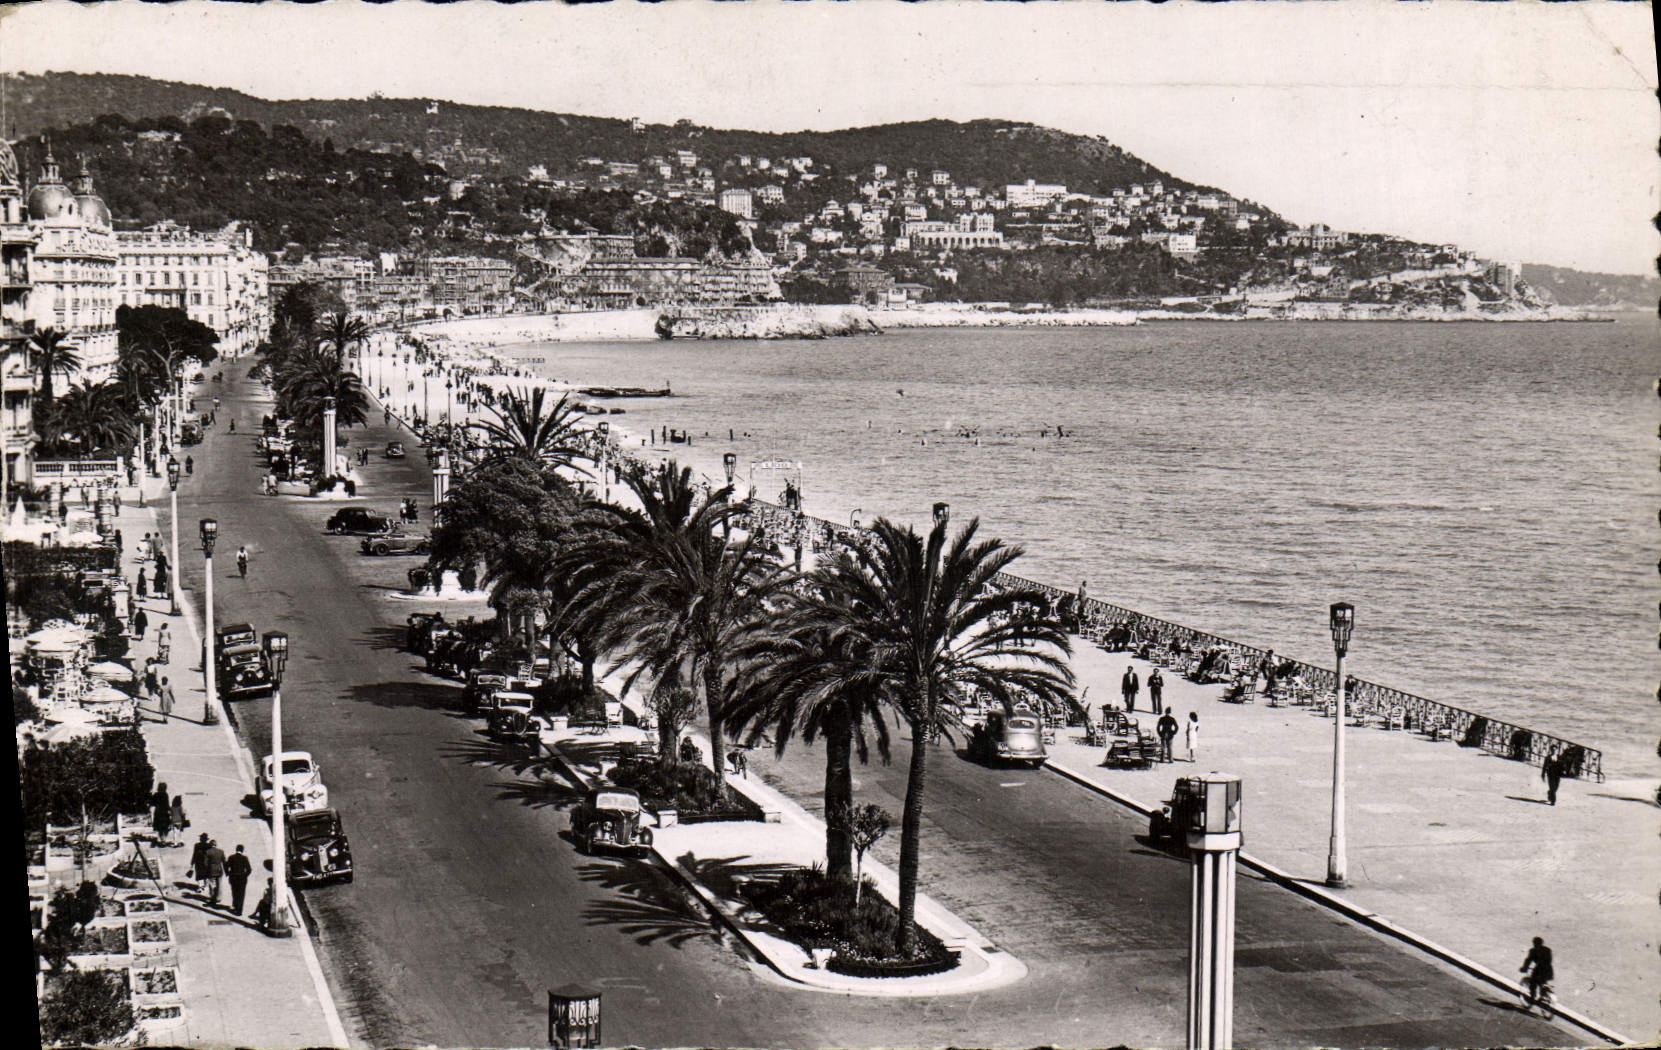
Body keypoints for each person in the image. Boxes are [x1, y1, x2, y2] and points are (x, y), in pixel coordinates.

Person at [1519, 936, 1554, 1012]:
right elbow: (1549, 960)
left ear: (1534, 943)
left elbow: (1528, 960)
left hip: (1539, 970)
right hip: (1548, 970)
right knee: (1542, 983)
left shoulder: (1533, 951)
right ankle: (1543, 995)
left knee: (1533, 983)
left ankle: (1532, 998)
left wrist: (1524, 968)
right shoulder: (1547, 950)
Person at [226, 845, 253, 915]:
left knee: (234, 893)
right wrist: (244, 875)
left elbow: (226, 866)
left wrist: (228, 873)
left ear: (236, 849)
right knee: (241, 894)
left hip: (233, 878)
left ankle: (235, 906)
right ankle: (239, 910)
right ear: (242, 850)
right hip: (242, 879)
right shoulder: (244, 858)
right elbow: (249, 869)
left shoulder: (231, 857)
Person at [199, 839, 227, 906]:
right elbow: (224, 862)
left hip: (211, 871)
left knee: (212, 885)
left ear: (210, 845)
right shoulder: (221, 851)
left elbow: (205, 863)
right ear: (216, 845)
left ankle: (212, 897)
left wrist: (205, 871)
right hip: (219, 870)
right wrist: (227, 871)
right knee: (219, 884)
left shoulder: (208, 852)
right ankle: (218, 897)